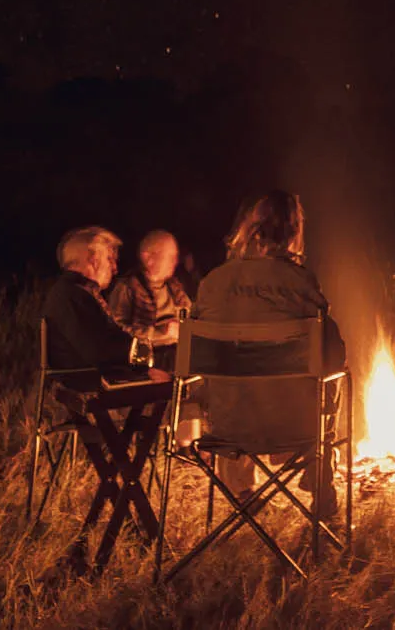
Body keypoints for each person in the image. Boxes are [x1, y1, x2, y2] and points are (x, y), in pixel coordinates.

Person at [193, 190, 346, 500]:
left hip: (226, 429)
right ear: (293, 232)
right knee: (335, 367)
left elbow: (197, 353)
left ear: (246, 230)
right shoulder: (300, 281)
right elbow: (333, 356)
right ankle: (321, 476)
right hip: (294, 426)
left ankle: (240, 490)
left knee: (227, 381)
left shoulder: (212, 282)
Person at [40, 225, 140, 388]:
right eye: (110, 259)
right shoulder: (71, 295)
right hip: (86, 381)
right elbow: (99, 351)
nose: (115, 269)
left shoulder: (79, 292)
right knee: (172, 384)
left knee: (167, 377)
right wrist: (140, 358)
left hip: (91, 376)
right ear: (93, 261)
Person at [109, 229, 193, 372]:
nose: (175, 261)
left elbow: (192, 316)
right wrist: (159, 333)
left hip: (177, 357)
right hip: (145, 363)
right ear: (149, 258)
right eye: (169, 256)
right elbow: (116, 332)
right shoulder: (128, 288)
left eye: (175, 256)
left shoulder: (175, 288)